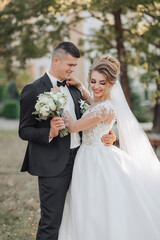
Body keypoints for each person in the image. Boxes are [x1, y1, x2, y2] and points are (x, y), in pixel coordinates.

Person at [19, 42, 116, 240]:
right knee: (51, 221)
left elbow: (91, 116)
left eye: (75, 66)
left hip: (83, 162)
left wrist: (109, 134)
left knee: (78, 217)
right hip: (54, 165)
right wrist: (50, 132)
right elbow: (24, 130)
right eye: (70, 65)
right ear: (56, 60)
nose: (73, 70)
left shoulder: (74, 88)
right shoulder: (33, 89)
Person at [56, 56, 160, 240]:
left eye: (102, 83)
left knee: (98, 204)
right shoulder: (100, 102)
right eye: (93, 81)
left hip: (96, 159)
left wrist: (60, 99)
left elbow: (73, 126)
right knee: (86, 203)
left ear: (111, 84)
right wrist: (81, 86)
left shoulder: (106, 107)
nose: (96, 86)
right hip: (88, 155)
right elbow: (92, 104)